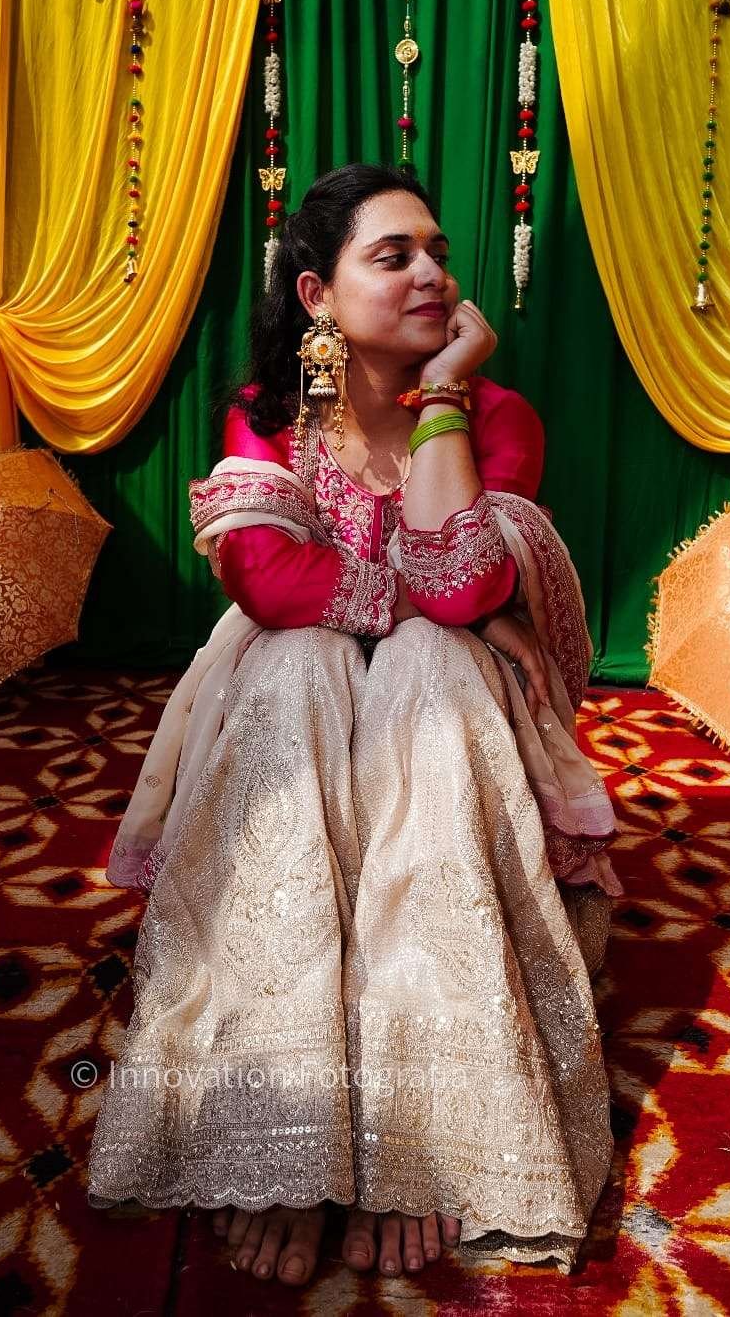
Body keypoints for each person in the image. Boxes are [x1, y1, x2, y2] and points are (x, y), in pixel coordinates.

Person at [86, 164, 620, 1286]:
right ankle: (282, 1133)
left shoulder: (494, 415)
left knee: (429, 662)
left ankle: (419, 1136)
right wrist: (406, 600)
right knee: (300, 665)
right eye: (394, 256)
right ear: (317, 295)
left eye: (439, 252)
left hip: (450, 692)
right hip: (303, 690)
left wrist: (443, 396)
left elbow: (463, 587)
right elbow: (266, 582)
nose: (433, 274)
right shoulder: (270, 418)